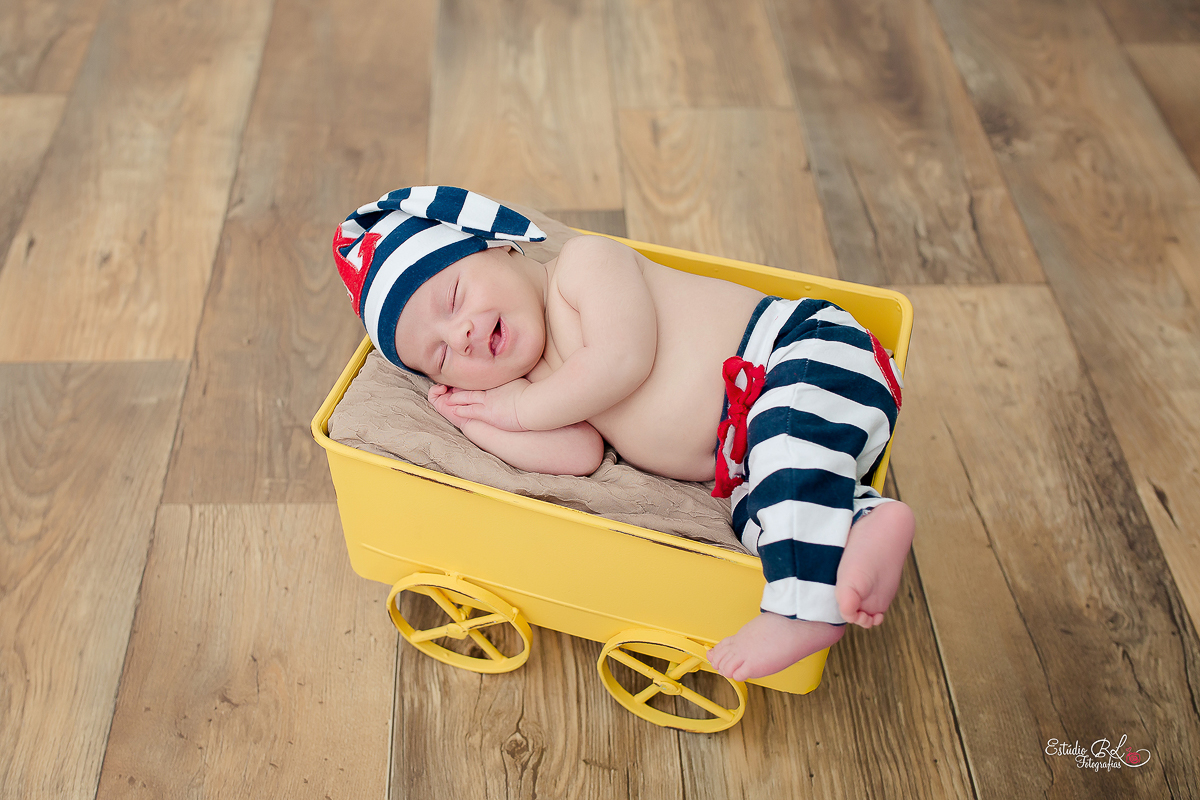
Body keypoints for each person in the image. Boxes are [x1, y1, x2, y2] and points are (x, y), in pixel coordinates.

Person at [333, 186, 915, 681]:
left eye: (454, 297)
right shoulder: (540, 380)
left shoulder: (584, 267)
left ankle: (803, 609)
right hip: (748, 453)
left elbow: (624, 358)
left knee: (786, 441)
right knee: (754, 515)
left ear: (502, 248)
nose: (459, 335)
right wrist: (483, 421)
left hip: (800, 356)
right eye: (439, 357)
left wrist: (522, 410)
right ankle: (863, 523)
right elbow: (579, 454)